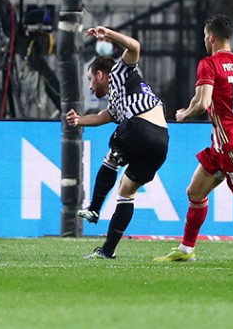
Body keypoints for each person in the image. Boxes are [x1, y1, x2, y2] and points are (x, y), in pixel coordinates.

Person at [66, 25, 169, 259]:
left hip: (140, 127)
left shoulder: (119, 73)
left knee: (111, 158)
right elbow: (104, 117)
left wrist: (108, 34)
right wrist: (80, 120)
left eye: (91, 79)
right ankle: (107, 250)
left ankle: (93, 209)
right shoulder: (118, 97)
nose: (91, 86)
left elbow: (135, 47)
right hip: (161, 141)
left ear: (101, 74)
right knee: (126, 190)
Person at [155, 14, 233, 263]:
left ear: (212, 38)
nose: (205, 41)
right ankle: (186, 250)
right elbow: (202, 97)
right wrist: (190, 107)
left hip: (232, 145)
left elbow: (203, 103)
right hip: (222, 144)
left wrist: (185, 113)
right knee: (195, 192)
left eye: (206, 37)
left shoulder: (209, 63)